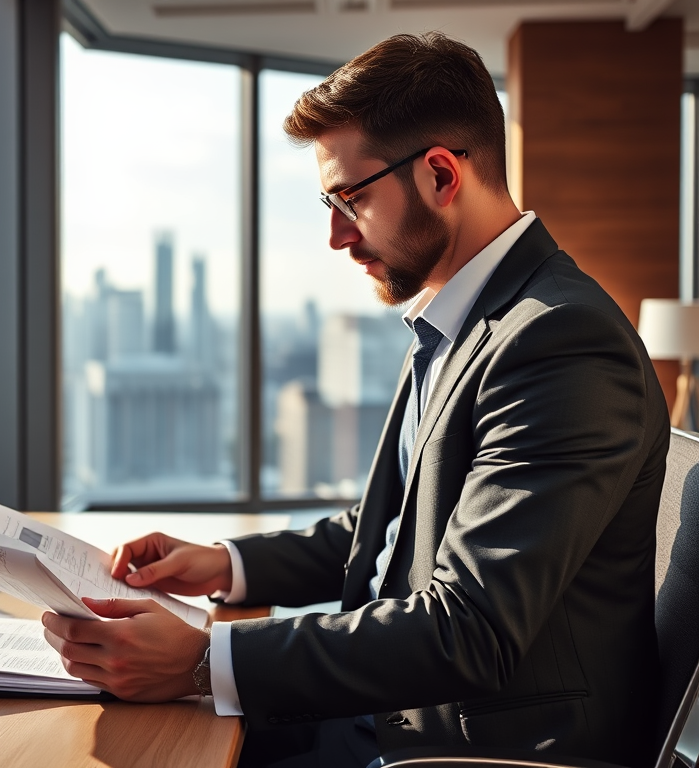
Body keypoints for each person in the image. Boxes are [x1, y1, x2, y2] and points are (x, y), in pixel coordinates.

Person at [42, 32, 670, 768]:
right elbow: (396, 530)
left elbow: (468, 628)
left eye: (353, 200)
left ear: (441, 173)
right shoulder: (459, 319)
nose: (336, 236)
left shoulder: (559, 342)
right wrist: (224, 565)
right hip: (390, 712)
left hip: (470, 749)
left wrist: (198, 660)